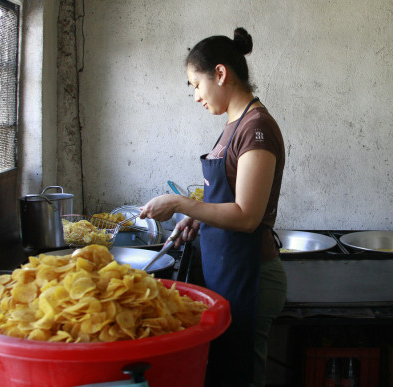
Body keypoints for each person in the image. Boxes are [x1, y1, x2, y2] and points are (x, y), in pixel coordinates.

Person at [139, 27, 287, 387]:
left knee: (242, 374)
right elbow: (226, 199)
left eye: (195, 84)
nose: (195, 96)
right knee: (223, 370)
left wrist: (182, 204)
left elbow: (247, 215)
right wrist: (196, 217)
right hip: (228, 269)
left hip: (251, 273)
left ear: (220, 74)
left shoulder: (257, 129)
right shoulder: (232, 126)